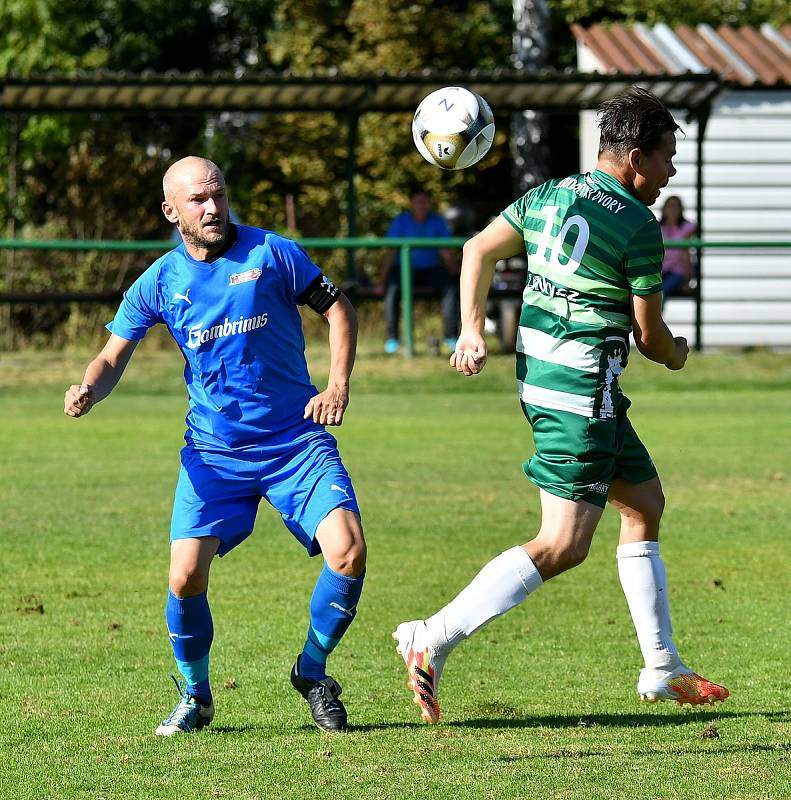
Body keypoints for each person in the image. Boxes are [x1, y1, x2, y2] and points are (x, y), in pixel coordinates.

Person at [393, 88, 729, 724]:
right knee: (563, 544)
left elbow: (476, 250)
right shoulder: (637, 224)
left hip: (559, 382)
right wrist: (679, 353)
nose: (672, 172)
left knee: (645, 505)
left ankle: (661, 665)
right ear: (634, 157)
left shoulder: (552, 193)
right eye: (668, 158)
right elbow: (650, 337)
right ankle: (431, 636)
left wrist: (471, 329)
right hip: (579, 391)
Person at [64, 156, 366, 736]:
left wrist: (337, 384)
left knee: (348, 552)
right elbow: (110, 357)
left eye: (219, 195)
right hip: (214, 452)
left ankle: (313, 671)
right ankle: (196, 696)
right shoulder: (159, 281)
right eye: (198, 200)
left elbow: (338, 309)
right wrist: (88, 390)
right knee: (184, 579)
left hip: (293, 440)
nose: (212, 208)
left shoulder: (272, 253)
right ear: (170, 210)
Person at [378, 189, 459, 354]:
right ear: (411, 204)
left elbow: (447, 253)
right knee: (392, 290)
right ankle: (392, 339)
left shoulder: (438, 222)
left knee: (450, 289)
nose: (421, 205)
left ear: (429, 203)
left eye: (424, 202)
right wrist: (381, 282)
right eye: (418, 202)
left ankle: (451, 337)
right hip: (403, 272)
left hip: (432, 271)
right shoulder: (400, 222)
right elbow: (390, 253)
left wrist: (455, 274)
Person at [659, 195, 696, 300]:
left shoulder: (686, 227)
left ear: (681, 210)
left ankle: (656, 316)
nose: (672, 210)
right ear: (664, 209)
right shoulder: (658, 227)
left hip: (677, 272)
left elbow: (686, 254)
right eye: (670, 206)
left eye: (675, 207)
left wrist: (687, 279)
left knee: (662, 291)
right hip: (660, 270)